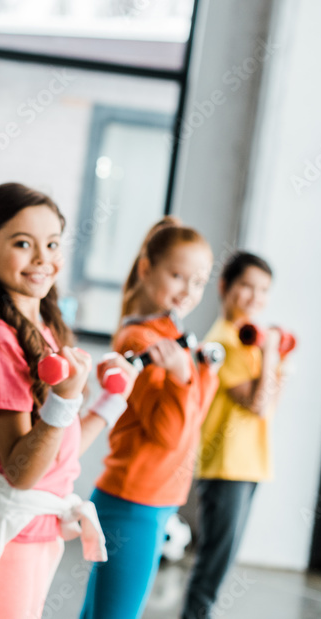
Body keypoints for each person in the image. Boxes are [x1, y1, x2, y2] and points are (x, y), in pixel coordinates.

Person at [0, 182, 138, 619]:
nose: (42, 259)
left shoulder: (43, 331)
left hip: (37, 528)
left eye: (52, 243)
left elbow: (59, 450)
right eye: (22, 243)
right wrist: (65, 401)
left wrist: (110, 402)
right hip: (10, 529)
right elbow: (22, 471)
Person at [80, 217, 220, 619]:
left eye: (198, 282)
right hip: (134, 502)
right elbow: (168, 435)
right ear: (146, 268)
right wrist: (181, 377)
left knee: (99, 614)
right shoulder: (142, 340)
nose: (188, 291)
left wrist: (196, 372)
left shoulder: (168, 335)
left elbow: (196, 416)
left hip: (150, 498)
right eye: (177, 276)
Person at [182, 252, 289, 619]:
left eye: (263, 290)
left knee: (223, 554)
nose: (255, 297)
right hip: (225, 461)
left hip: (249, 461)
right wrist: (272, 353)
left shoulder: (248, 342)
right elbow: (259, 404)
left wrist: (271, 361)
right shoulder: (224, 341)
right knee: (216, 555)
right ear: (225, 286)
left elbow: (270, 405)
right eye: (246, 286)